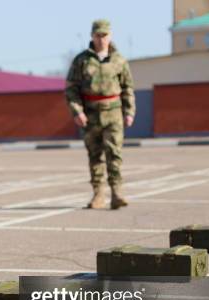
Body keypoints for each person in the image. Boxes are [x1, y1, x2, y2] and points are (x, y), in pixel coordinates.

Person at [65, 19, 135, 210]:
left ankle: (117, 193)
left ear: (110, 36)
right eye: (98, 35)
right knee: (95, 155)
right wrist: (77, 111)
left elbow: (127, 87)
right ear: (92, 36)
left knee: (115, 154)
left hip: (113, 113)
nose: (101, 39)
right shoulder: (82, 60)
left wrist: (129, 112)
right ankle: (98, 195)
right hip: (90, 114)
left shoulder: (119, 60)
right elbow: (71, 89)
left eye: (104, 35)